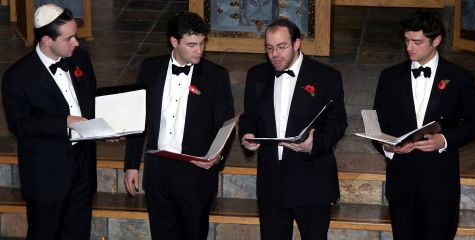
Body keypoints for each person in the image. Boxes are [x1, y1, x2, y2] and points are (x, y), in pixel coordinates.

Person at [123, 11, 235, 240]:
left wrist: (216, 157)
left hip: (194, 174)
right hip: (158, 171)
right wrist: (131, 164)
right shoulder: (150, 68)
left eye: (202, 43)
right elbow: (138, 118)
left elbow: (226, 125)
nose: (199, 50)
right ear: (174, 42)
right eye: (192, 44)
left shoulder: (216, 76)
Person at [373, 10, 475, 240]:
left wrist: (445, 140)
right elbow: (376, 124)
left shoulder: (459, 77)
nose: (409, 47)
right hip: (401, 183)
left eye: (417, 42)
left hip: (440, 184)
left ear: (437, 41)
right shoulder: (390, 77)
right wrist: (387, 146)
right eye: (406, 40)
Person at [239, 19, 347, 240]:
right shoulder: (257, 75)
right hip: (271, 182)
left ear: (297, 43)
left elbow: (337, 122)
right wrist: (247, 134)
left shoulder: (326, 77)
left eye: (281, 47)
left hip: (311, 180)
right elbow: (250, 116)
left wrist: (312, 145)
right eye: (269, 48)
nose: (274, 54)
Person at [2, 4, 97, 240]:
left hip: (82, 164)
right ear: (47, 40)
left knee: (79, 232)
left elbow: (91, 100)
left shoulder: (80, 58)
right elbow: (20, 126)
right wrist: (62, 121)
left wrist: (108, 128)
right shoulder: (17, 77)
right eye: (69, 38)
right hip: (47, 172)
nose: (76, 42)